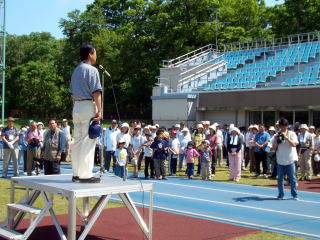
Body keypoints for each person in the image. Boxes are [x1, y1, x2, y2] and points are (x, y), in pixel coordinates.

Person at [69, 44, 102, 183]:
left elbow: (71, 94)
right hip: (88, 104)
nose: (96, 55)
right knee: (88, 140)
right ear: (90, 54)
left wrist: (75, 107)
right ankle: (85, 174)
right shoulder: (92, 70)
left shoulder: (76, 70)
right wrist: (99, 110)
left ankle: (76, 173)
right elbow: (96, 92)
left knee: (77, 140)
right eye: (95, 53)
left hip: (76, 106)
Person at [272, 118, 298, 200]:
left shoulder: (292, 134)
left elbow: (294, 144)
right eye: (280, 126)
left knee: (292, 178)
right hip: (280, 160)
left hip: (290, 159)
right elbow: (273, 148)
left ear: (287, 126)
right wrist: (276, 141)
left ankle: (294, 195)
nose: (282, 128)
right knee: (280, 179)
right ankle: (281, 194)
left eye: (284, 126)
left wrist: (286, 138)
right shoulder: (276, 135)